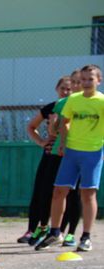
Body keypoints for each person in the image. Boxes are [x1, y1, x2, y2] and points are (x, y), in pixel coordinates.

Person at [36, 64, 104, 252]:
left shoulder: (102, 101)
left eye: (90, 79)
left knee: (88, 193)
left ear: (99, 80)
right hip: (71, 152)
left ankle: (86, 236)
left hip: (93, 152)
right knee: (59, 191)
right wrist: (64, 142)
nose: (86, 82)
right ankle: (55, 232)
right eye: (83, 79)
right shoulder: (73, 100)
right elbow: (64, 123)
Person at [19, 75, 72, 245]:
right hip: (50, 154)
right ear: (57, 89)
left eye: (69, 89)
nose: (66, 91)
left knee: (67, 194)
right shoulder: (51, 108)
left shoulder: (74, 109)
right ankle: (34, 229)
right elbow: (31, 126)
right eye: (63, 88)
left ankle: (62, 231)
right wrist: (42, 142)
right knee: (41, 191)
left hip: (68, 155)